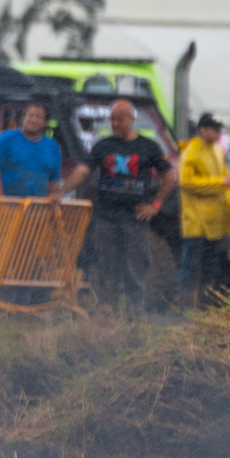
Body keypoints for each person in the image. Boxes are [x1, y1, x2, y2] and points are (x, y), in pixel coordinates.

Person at [81, 99, 169, 308]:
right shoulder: (103, 146)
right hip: (106, 218)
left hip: (135, 219)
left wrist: (156, 205)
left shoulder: (148, 146)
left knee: (135, 269)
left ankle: (134, 318)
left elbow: (169, 175)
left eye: (119, 119)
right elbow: (83, 170)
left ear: (131, 119)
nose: (115, 124)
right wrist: (62, 190)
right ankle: (107, 316)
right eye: (112, 119)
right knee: (106, 269)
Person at [176, 114, 230, 308]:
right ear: (202, 129)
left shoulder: (218, 151)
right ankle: (185, 306)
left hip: (215, 222)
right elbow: (186, 182)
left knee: (210, 268)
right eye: (214, 129)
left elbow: (227, 186)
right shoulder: (191, 152)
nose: (218, 133)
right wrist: (219, 183)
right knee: (190, 266)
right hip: (196, 221)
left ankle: (205, 307)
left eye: (219, 129)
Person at [0, 100, 81, 199]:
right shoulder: (4, 140)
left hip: (38, 205)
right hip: (9, 204)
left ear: (44, 122)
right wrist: (1, 202)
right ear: (23, 118)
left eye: (39, 117)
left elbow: (54, 180)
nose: (34, 120)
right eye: (30, 115)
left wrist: (54, 197)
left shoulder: (52, 146)